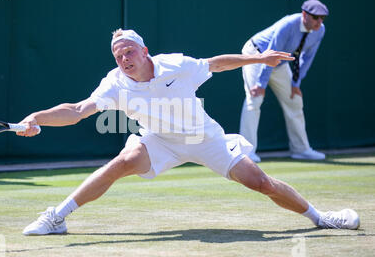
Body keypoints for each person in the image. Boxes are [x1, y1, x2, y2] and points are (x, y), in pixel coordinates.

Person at [18, 29, 359, 236]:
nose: (124, 59)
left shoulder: (175, 65)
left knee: (261, 183)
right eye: (118, 55)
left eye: (129, 51)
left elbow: (215, 64)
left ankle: (321, 217)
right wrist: (38, 117)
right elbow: (77, 111)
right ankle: (56, 218)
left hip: (204, 138)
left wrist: (258, 60)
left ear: (144, 50)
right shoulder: (114, 83)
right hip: (160, 141)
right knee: (121, 162)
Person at [239, 0, 329, 163]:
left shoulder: (320, 30)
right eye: (316, 17)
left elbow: (307, 58)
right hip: (257, 55)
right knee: (254, 99)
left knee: (295, 100)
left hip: (279, 63)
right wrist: (261, 83)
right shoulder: (287, 24)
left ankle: (301, 149)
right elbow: (270, 51)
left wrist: (296, 83)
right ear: (305, 15)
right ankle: (246, 152)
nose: (319, 21)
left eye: (322, 18)